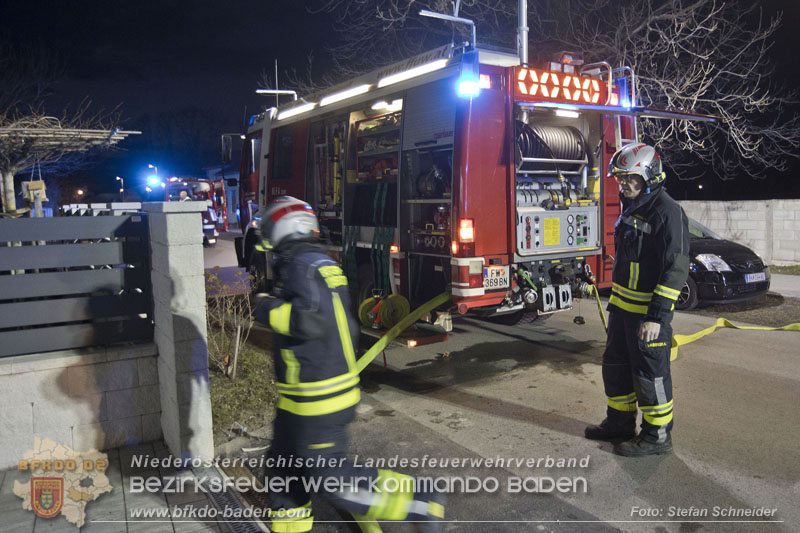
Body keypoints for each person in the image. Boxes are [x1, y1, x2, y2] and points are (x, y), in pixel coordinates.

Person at [252, 196, 444, 532]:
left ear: (283, 227)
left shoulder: (302, 266)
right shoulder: (313, 263)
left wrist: (264, 307)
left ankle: (421, 499)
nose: (265, 240)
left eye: (267, 230)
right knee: (283, 472)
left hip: (318, 399)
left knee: (337, 485)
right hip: (300, 398)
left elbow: (310, 322)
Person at [585, 144, 689, 457]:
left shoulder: (668, 212)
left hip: (647, 317)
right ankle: (619, 424)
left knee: (649, 377)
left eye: (629, 178)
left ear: (649, 175)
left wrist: (657, 318)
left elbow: (675, 269)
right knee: (616, 369)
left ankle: (657, 437)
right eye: (620, 179)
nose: (623, 184)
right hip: (622, 311)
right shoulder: (634, 206)